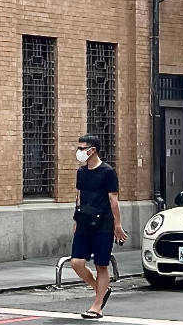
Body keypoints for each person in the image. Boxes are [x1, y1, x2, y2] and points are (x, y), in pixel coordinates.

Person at [69, 134, 123, 320]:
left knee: (101, 265)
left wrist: (117, 225)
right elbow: (79, 197)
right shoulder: (81, 172)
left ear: (92, 150)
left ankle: (97, 306)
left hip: (103, 224)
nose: (79, 152)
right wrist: (76, 221)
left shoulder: (108, 172)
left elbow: (113, 200)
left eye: (82, 148)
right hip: (84, 222)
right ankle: (100, 289)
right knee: (76, 262)